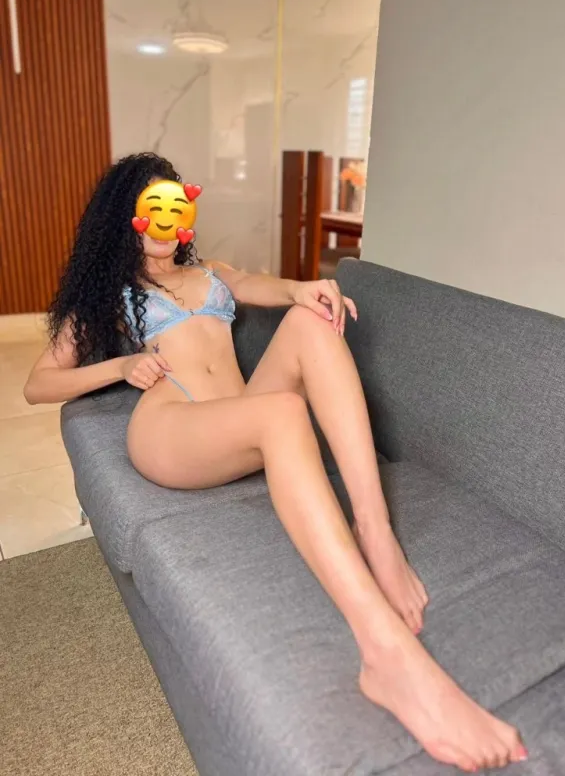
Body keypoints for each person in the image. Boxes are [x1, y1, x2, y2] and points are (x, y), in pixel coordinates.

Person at [24, 153, 527, 772]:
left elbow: (256, 284)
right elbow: (38, 384)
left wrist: (301, 290)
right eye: (154, 208)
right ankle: (386, 655)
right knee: (285, 413)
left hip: (237, 418)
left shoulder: (208, 272)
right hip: (172, 430)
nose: (168, 222)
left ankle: (375, 532)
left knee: (311, 324)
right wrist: (122, 365)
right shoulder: (111, 294)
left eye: (178, 206)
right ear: (126, 216)